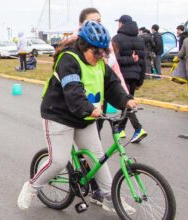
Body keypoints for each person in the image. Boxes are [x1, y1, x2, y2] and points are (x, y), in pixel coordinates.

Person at [17, 21, 136, 213]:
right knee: (59, 161)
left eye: (103, 52)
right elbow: (73, 91)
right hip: (59, 115)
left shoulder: (100, 64)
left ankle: (109, 197)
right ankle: (32, 187)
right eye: (95, 52)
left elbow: (113, 85)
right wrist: (89, 108)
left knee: (98, 158)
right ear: (83, 46)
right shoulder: (68, 60)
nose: (99, 57)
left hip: (84, 117)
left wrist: (126, 100)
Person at [113, 15, 147, 143]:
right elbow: (143, 61)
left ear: (121, 24)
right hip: (135, 75)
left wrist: (130, 59)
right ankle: (121, 129)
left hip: (122, 76)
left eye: (118, 23)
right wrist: (140, 79)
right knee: (128, 101)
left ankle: (138, 129)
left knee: (126, 103)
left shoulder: (116, 39)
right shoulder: (139, 39)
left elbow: (114, 60)